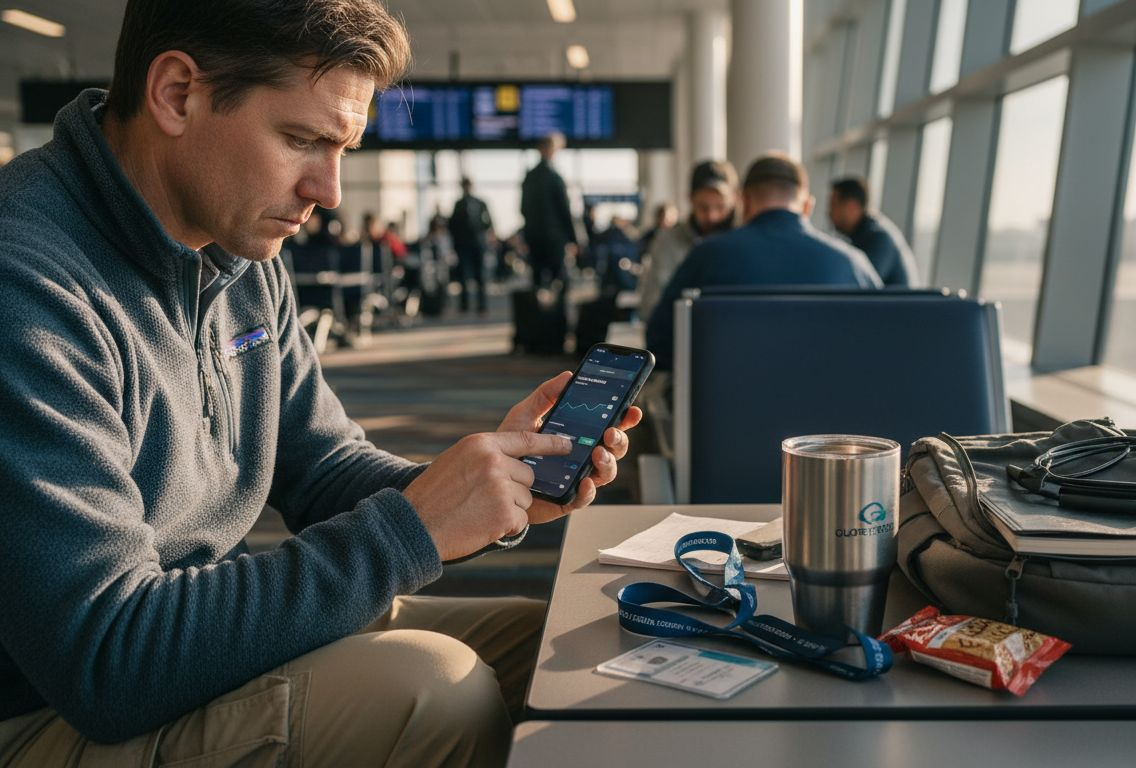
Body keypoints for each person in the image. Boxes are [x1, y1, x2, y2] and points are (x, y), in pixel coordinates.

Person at [0, 2, 640, 766]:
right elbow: (107, 658)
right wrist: (417, 526)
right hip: (54, 705)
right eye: (302, 139)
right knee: (435, 694)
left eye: (344, 148)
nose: (329, 190)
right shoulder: (27, 283)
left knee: (563, 649)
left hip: (188, 631)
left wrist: (481, 487)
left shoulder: (239, 250)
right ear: (176, 94)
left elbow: (324, 469)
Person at [645, 153, 882, 370]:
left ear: (744, 202)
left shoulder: (706, 256)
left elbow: (659, 340)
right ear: (808, 205)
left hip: (727, 410)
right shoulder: (853, 263)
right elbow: (880, 343)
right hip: (834, 408)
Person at [637, 159, 739, 321]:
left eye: (720, 207)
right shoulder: (668, 241)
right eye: (703, 207)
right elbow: (651, 307)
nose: (712, 216)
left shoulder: (744, 242)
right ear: (690, 199)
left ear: (735, 199)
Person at [828, 176, 920, 287]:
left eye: (834, 205)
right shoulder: (864, 234)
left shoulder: (879, 238)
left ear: (852, 206)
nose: (829, 212)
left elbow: (861, 285)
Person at [520, 132, 578, 294]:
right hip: (554, 239)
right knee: (559, 281)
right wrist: (573, 238)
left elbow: (523, 209)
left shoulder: (529, 177)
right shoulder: (555, 178)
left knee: (537, 282)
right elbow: (564, 210)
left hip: (534, 238)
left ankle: (538, 317)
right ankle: (557, 317)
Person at [448, 176, 495, 314]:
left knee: (480, 275)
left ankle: (481, 304)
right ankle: (465, 304)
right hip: (464, 245)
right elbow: (453, 225)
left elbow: (489, 222)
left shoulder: (480, 203)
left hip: (478, 244)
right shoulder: (459, 204)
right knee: (464, 275)